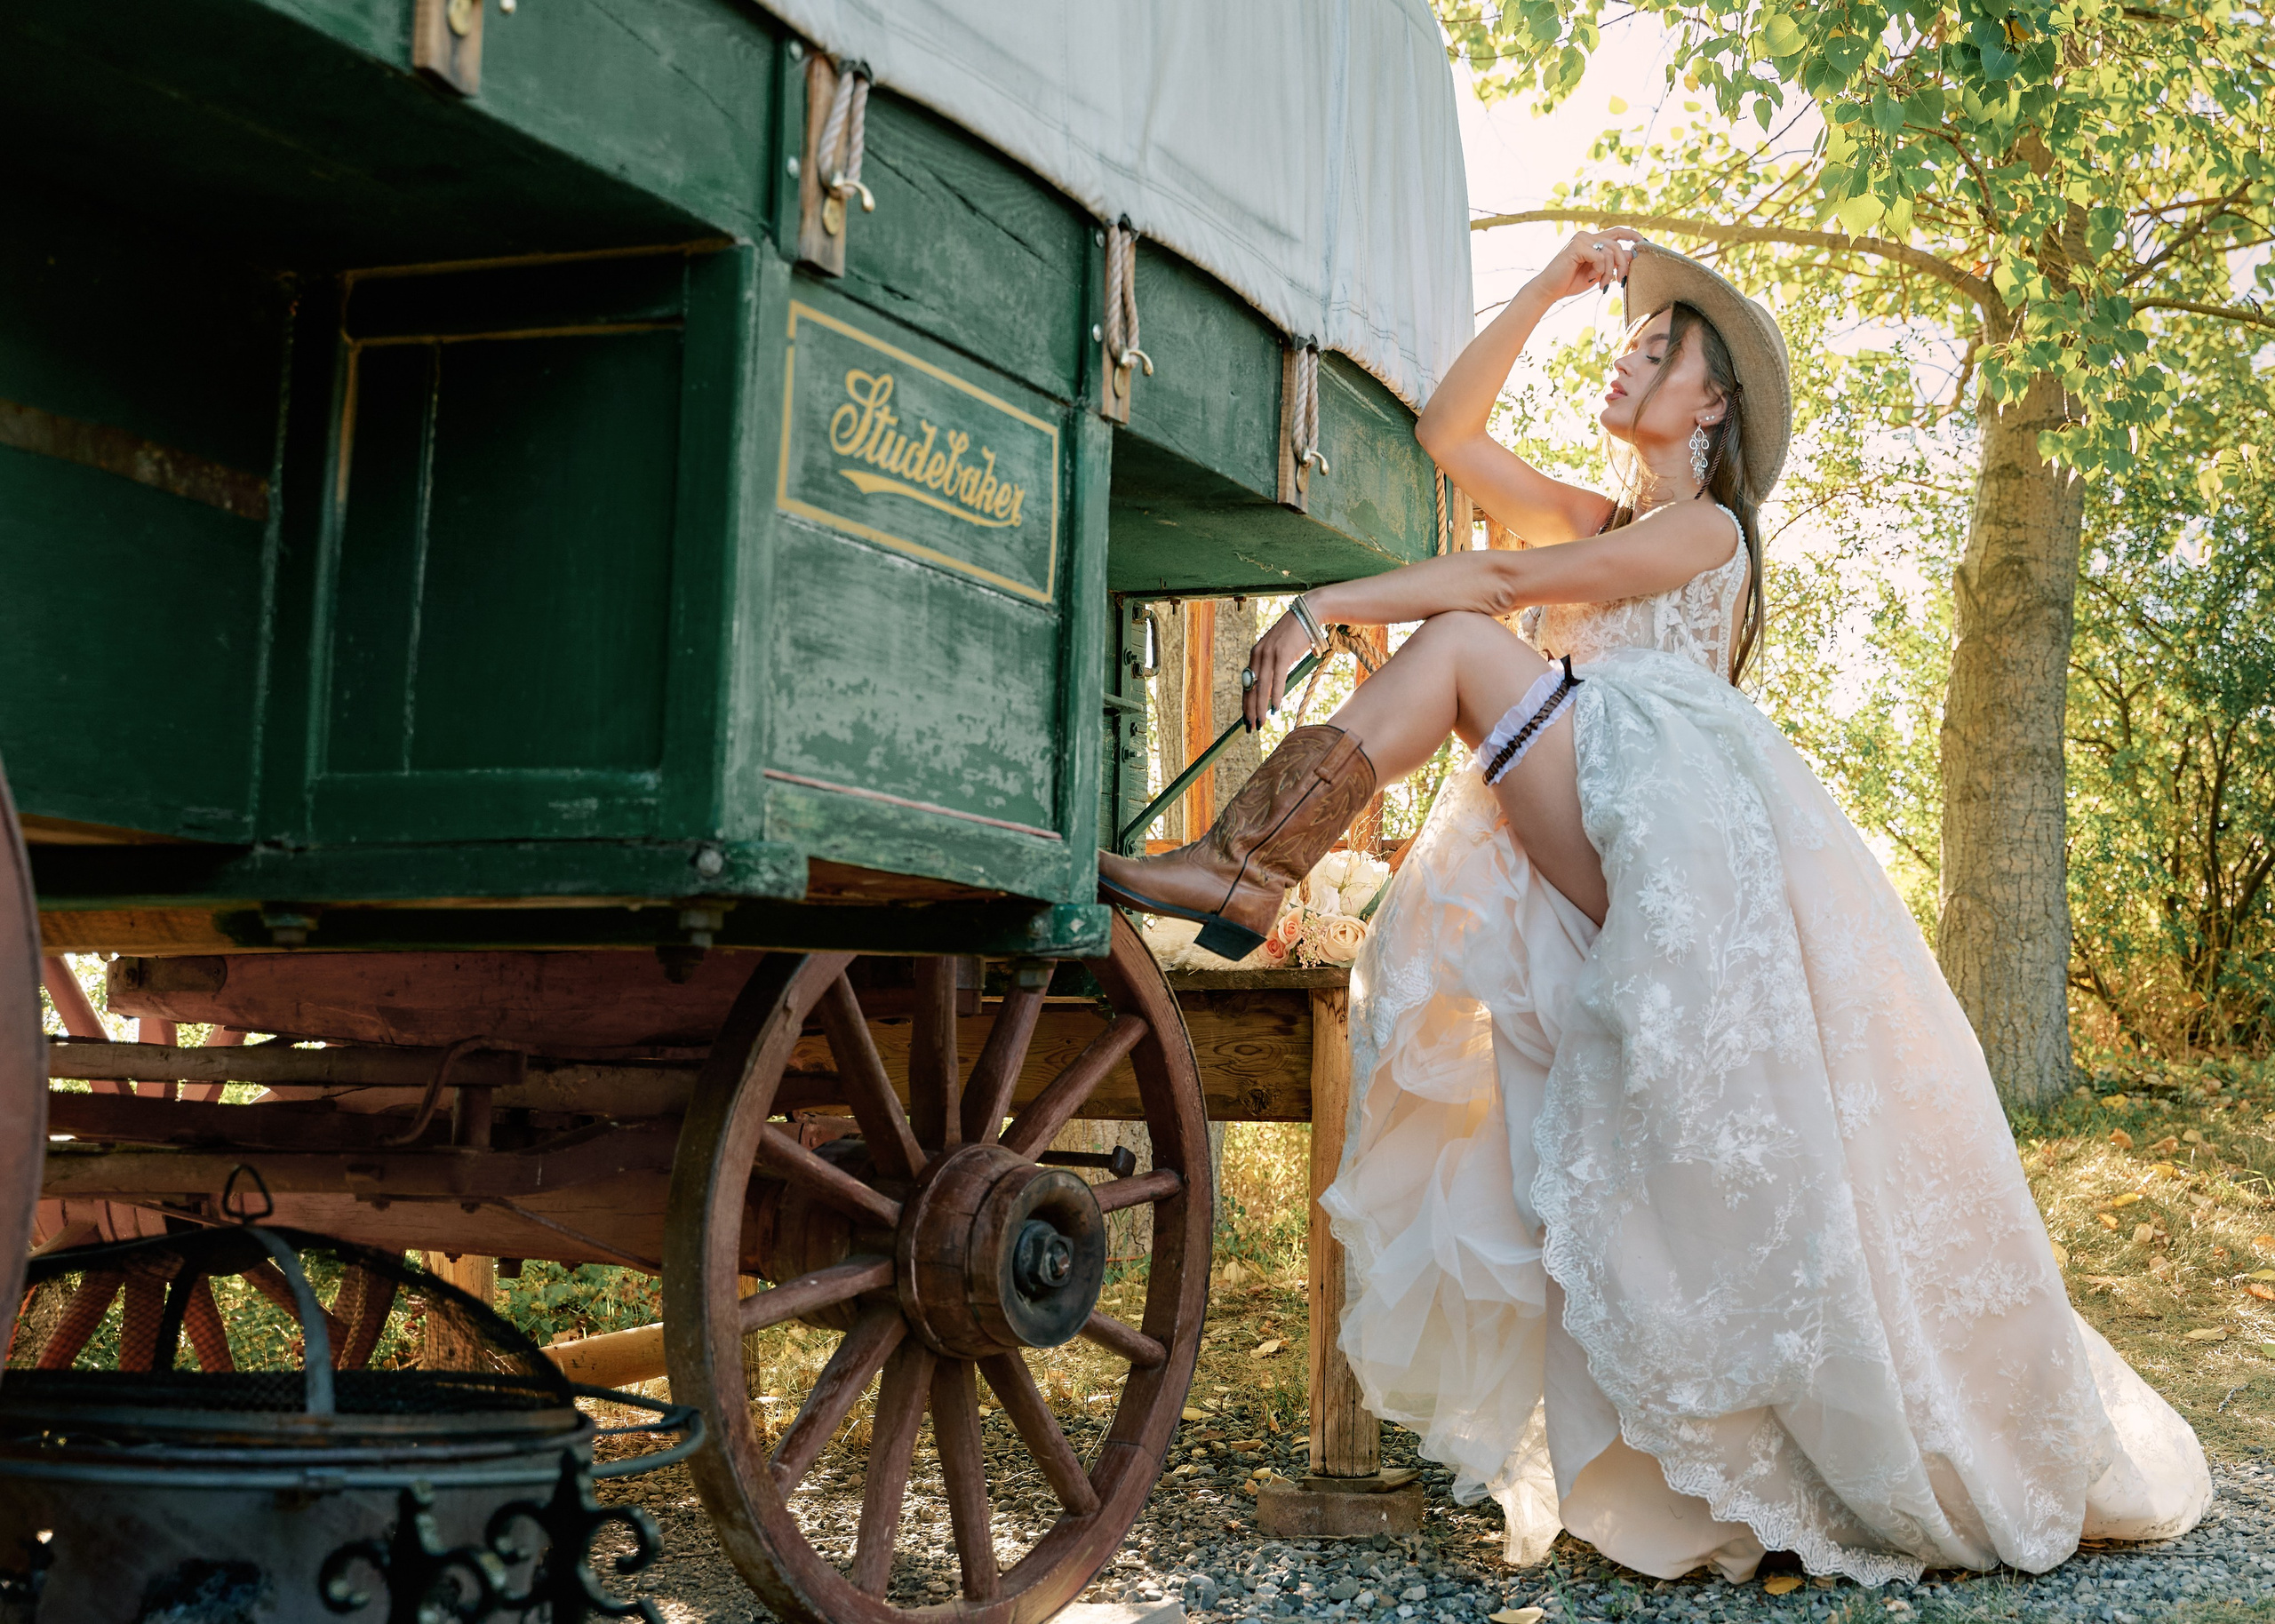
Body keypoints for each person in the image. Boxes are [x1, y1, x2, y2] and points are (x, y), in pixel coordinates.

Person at [1098, 231, 2211, 1585]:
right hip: (1603, 798)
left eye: (1654, 346)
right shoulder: (1606, 517)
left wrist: (1327, 604)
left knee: (1459, 644)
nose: (1625, 359)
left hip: (1666, 816)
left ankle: (1245, 865)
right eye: (1625, 342)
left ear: (1715, 399)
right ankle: (1247, 867)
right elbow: (1453, 430)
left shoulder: (1705, 529)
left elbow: (1497, 591)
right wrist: (1554, 282)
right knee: (1463, 653)